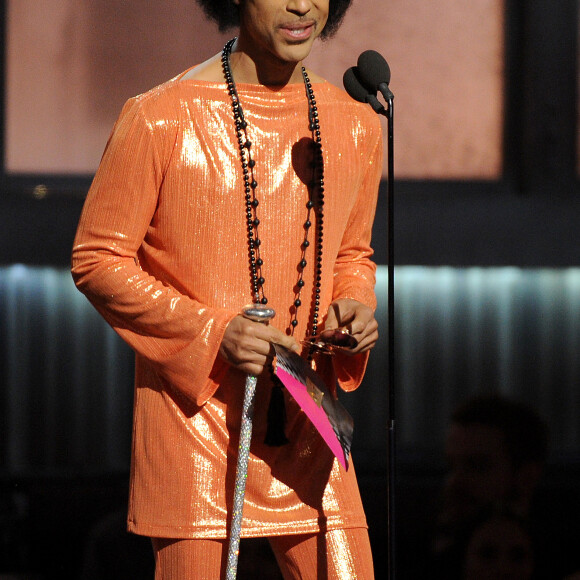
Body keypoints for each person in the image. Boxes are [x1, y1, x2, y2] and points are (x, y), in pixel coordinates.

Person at [71, 0, 383, 577]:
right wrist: (213, 332)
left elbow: (351, 253)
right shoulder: (160, 116)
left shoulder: (355, 122)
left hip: (305, 419)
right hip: (196, 423)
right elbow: (97, 258)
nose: (301, 4)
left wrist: (355, 307)